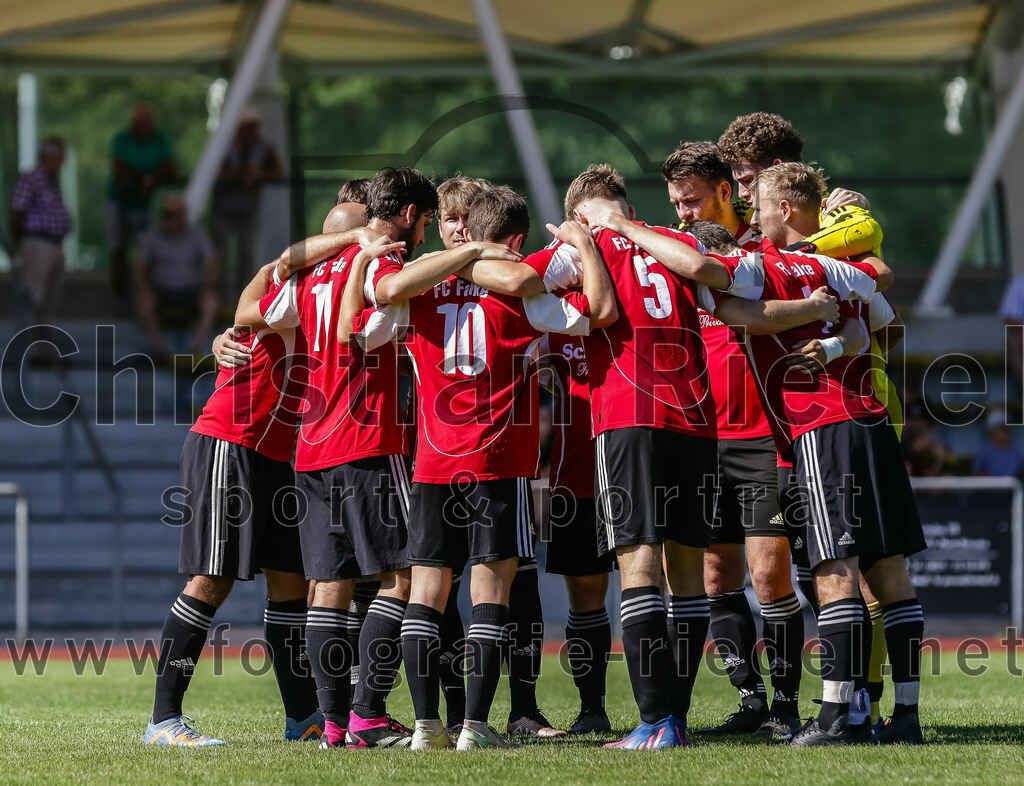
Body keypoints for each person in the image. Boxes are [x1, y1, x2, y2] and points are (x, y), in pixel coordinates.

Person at [625, 161, 925, 747]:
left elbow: (725, 292)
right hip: (872, 424)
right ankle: (902, 716)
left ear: (784, 210)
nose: (749, 213)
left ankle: (838, 716)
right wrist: (839, 337)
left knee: (832, 568)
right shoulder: (846, 268)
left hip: (820, 425)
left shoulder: (761, 266)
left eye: (756, 203)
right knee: (888, 570)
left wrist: (625, 229)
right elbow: (884, 325)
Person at [244, 166, 518, 750]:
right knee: (405, 579)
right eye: (424, 224)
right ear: (411, 217)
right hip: (369, 439)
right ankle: (368, 711)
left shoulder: (312, 273)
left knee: (328, 585)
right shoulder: (384, 265)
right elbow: (386, 300)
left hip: (310, 446)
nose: (422, 237)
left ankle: (331, 724)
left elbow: (254, 307)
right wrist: (470, 254)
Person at [347, 185, 610, 751]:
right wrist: (578, 248)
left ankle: (424, 727)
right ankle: (476, 726)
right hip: (498, 461)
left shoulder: (416, 288)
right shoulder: (519, 296)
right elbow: (593, 314)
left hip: (431, 465)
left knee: (427, 594)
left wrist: (376, 266)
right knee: (492, 595)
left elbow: (359, 329)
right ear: (511, 239)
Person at [143, 224, 377, 747]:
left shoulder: (335, 289)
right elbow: (272, 276)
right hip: (232, 440)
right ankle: (163, 721)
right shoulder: (301, 285)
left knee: (290, 582)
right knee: (212, 579)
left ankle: (304, 719)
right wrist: (355, 236)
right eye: (344, 232)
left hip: (276, 455)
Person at [661, 142, 807, 740]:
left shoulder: (767, 246)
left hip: (763, 438)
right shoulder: (673, 252)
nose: (683, 212)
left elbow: (838, 265)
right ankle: (750, 700)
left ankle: (788, 704)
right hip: (700, 436)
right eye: (674, 202)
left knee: (771, 576)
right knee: (715, 578)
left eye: (692, 200)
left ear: (727, 190)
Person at [134, 195, 218, 366]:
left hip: (191, 289)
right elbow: (139, 267)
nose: (170, 219)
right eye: (166, 214)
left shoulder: (197, 234)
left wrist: (208, 285)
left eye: (174, 214)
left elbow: (213, 262)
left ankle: (195, 349)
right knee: (144, 300)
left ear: (183, 216)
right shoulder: (150, 236)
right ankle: (159, 351)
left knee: (211, 302)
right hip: (161, 289)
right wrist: (143, 287)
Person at [107, 104, 176, 313]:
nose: (146, 127)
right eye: (141, 123)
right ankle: (119, 299)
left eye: (149, 123)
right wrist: (147, 177)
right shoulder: (122, 139)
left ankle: (147, 297)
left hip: (146, 206)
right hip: (119, 201)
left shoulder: (159, 139)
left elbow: (169, 167)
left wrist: (147, 179)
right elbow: (120, 169)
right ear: (134, 124)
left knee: (147, 252)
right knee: (118, 249)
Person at [211, 107, 283, 301]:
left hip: (248, 211)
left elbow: (278, 172)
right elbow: (212, 172)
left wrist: (259, 174)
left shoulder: (264, 148)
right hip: (223, 211)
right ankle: (222, 297)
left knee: (247, 255)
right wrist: (238, 174)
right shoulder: (224, 147)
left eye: (254, 127)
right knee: (221, 256)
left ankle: (243, 297)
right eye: (247, 127)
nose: (251, 131)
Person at [8, 136, 71, 328]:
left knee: (50, 302)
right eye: (61, 155)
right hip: (37, 243)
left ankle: (46, 350)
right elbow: (16, 211)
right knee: (37, 297)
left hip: (54, 243)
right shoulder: (32, 178)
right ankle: (34, 351)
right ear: (51, 155)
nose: (64, 160)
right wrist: (19, 242)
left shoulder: (52, 180)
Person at [973, 410, 1024, 478]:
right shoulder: (983, 452)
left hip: (1013, 488)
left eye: (1007, 429)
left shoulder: (1016, 452)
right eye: (1002, 429)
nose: (1004, 433)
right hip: (990, 488)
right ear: (991, 431)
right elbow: (978, 477)